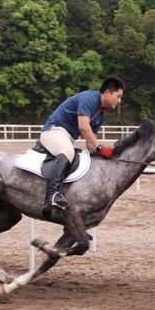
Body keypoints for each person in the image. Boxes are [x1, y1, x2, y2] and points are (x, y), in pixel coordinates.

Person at [39, 76, 125, 218]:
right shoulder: (88, 99)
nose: (119, 101)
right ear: (108, 93)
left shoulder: (101, 114)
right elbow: (84, 128)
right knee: (67, 152)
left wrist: (105, 153)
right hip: (53, 131)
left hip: (67, 137)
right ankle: (52, 195)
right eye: (118, 96)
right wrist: (100, 148)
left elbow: (91, 142)